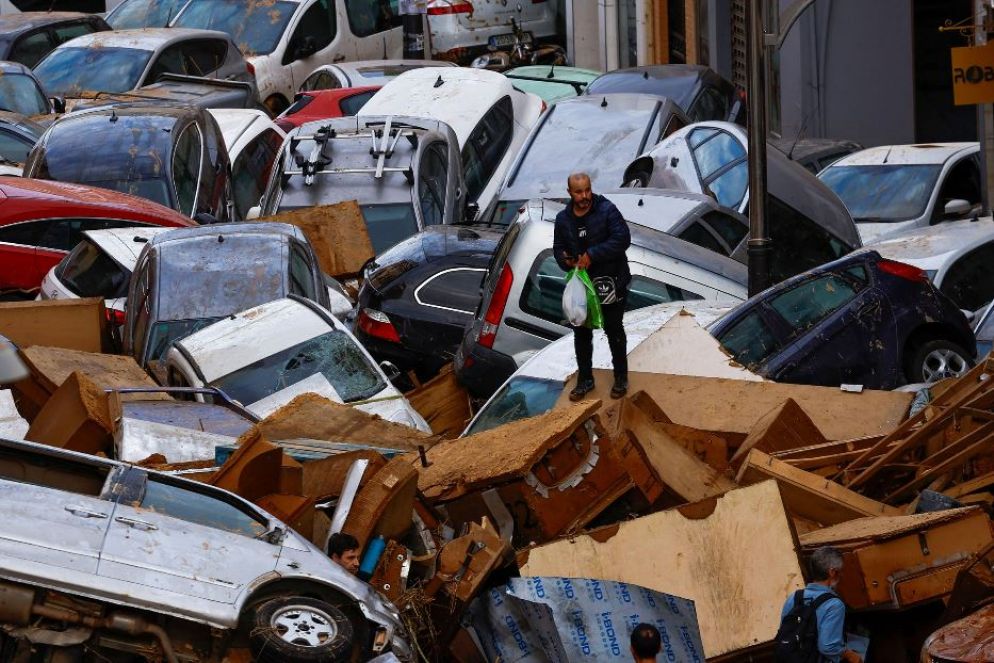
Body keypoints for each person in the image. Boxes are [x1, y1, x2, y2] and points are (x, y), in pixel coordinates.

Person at [553, 172, 631, 401]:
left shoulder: (607, 210)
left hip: (610, 282)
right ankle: (585, 379)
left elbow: (622, 238)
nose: (584, 196)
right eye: (578, 192)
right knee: (581, 333)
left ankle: (621, 378)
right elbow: (558, 247)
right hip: (583, 287)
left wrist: (592, 255)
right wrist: (564, 260)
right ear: (569, 193)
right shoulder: (563, 219)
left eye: (587, 190)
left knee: (614, 331)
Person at [775, 547, 862, 663]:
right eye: (840, 571)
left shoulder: (794, 597)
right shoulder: (834, 604)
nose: (841, 575)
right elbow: (827, 646)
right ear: (832, 572)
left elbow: (784, 633)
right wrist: (849, 654)